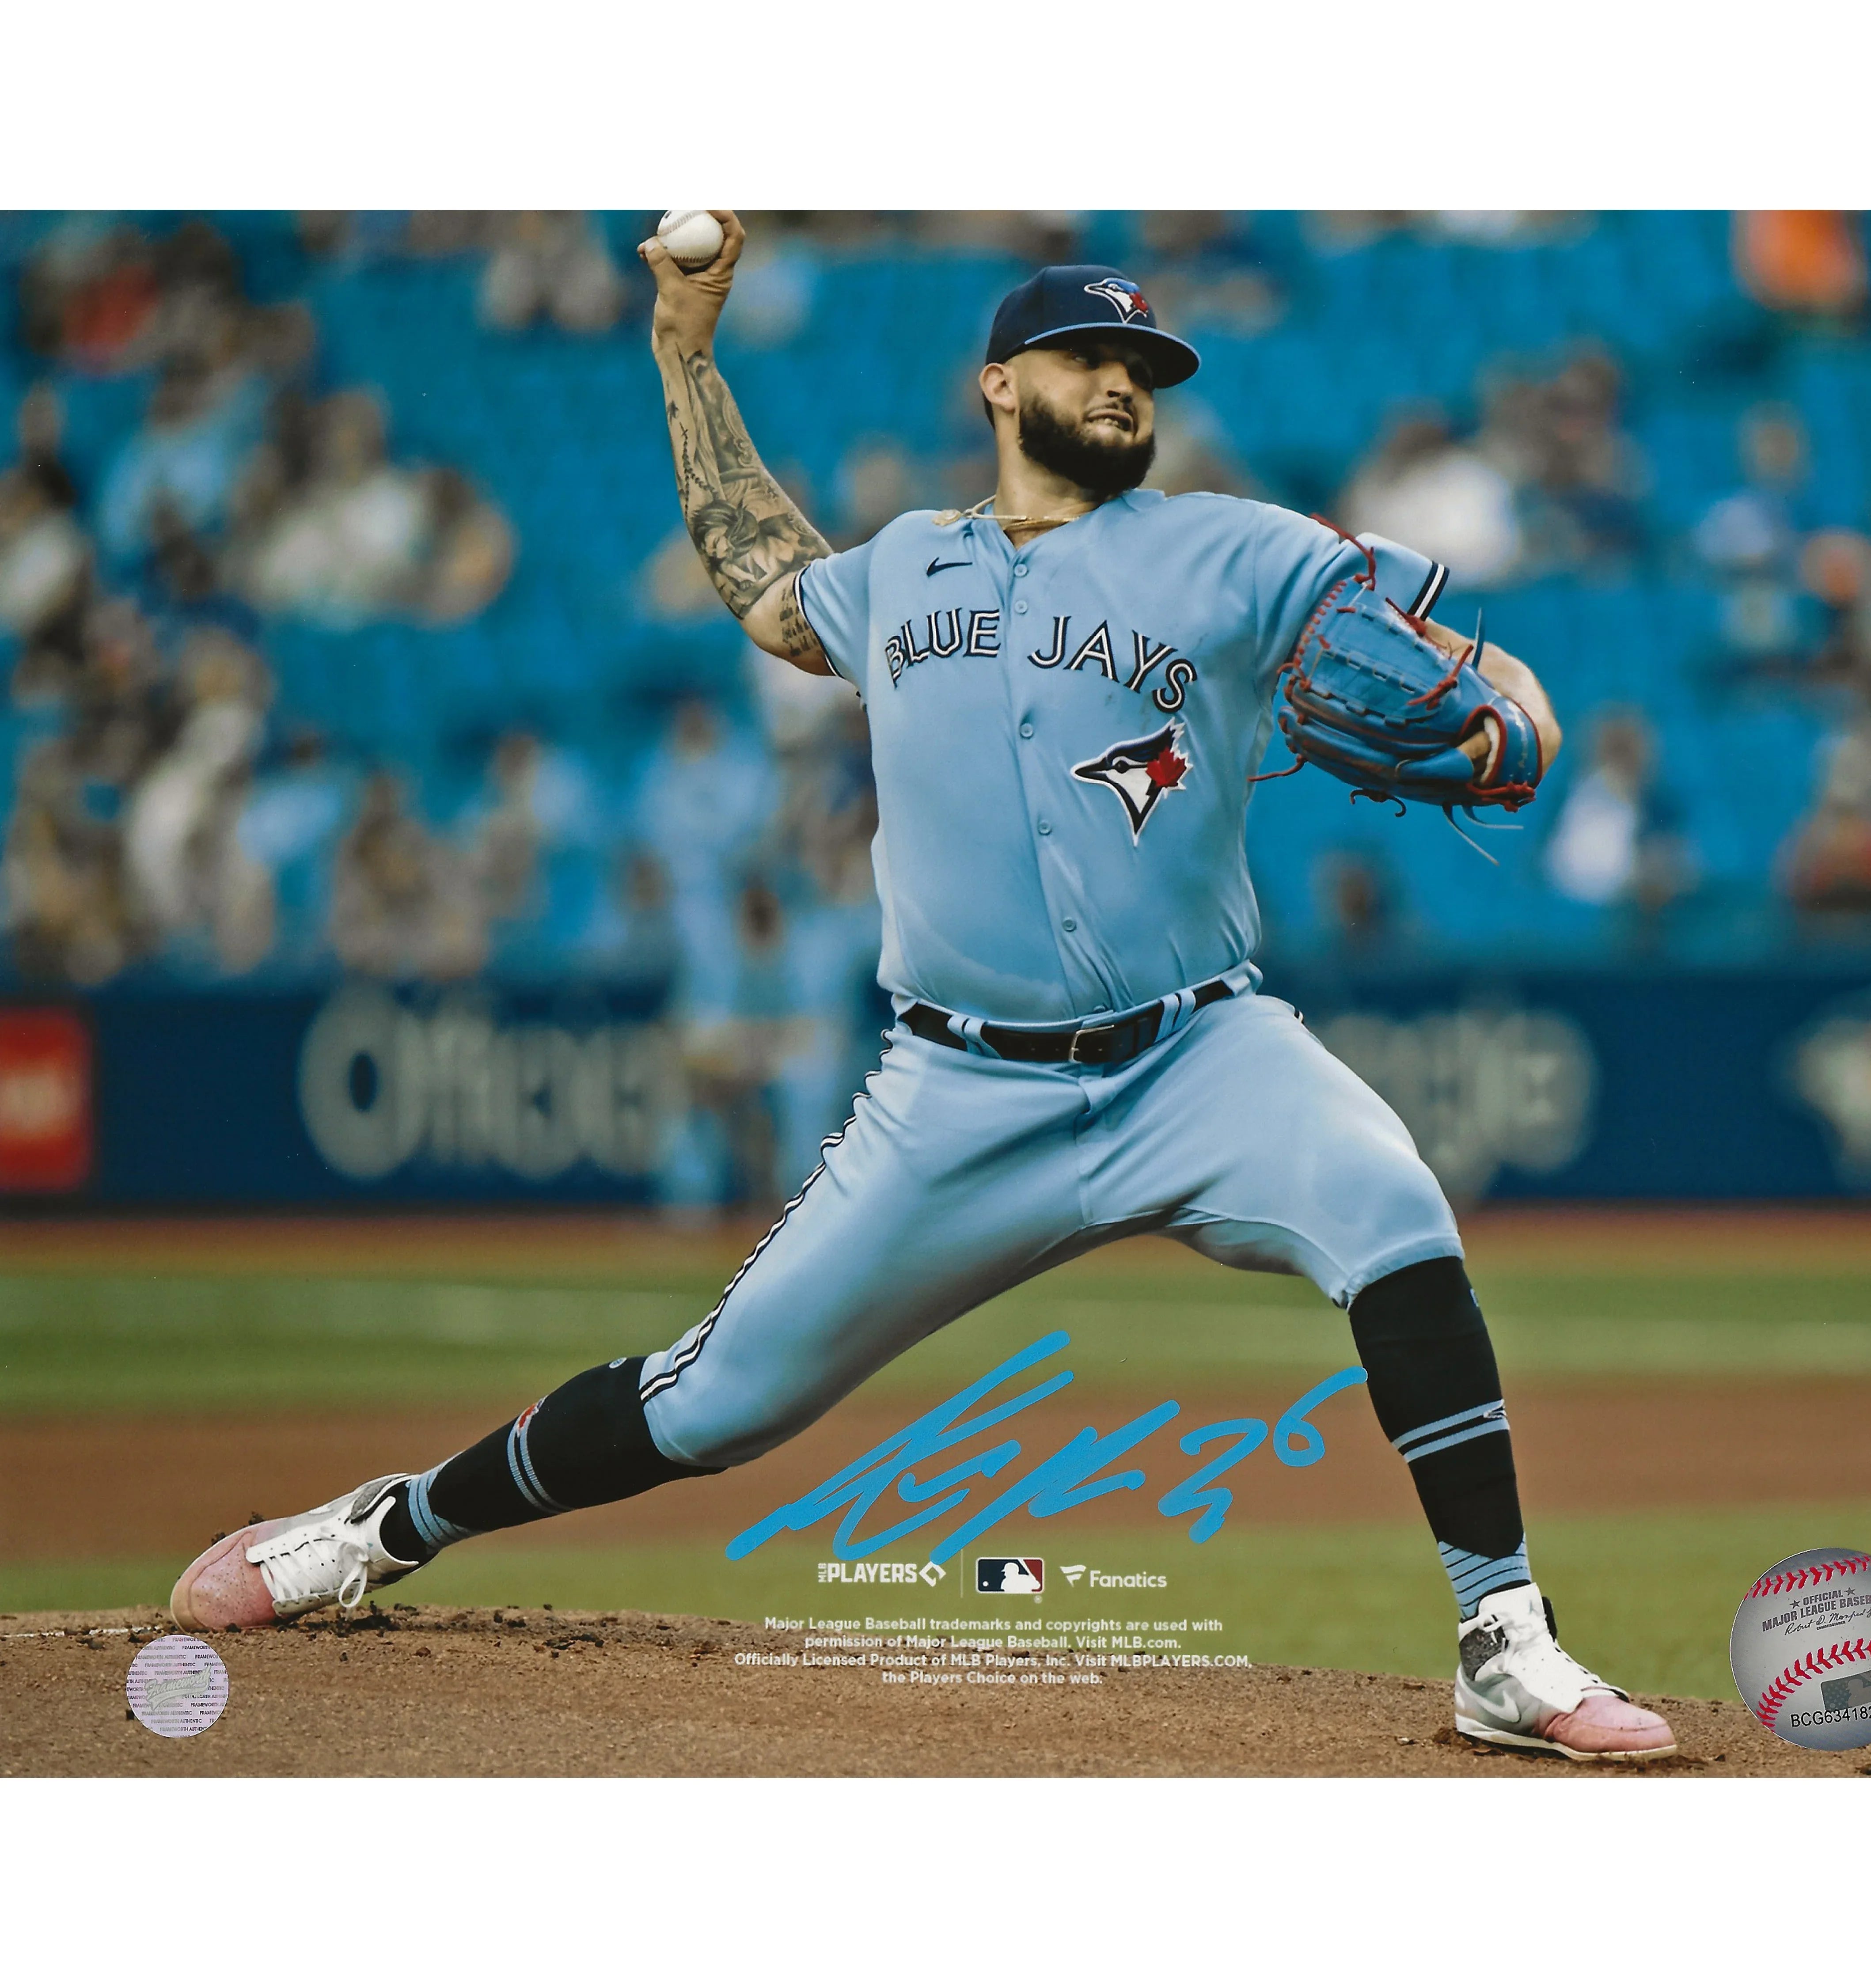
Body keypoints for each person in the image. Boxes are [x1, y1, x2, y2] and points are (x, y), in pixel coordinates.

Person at [170, 214, 1673, 1764]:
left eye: (1142, 365)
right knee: (712, 1404)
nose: (1120, 381)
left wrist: (1516, 732)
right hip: (959, 1090)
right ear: (998, 382)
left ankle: (1504, 1637)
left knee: (1393, 1206)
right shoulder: (901, 570)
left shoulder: (1238, 546)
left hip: (1199, 1055)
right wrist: (685, 354)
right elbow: (761, 580)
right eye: (1087, 355)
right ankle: (380, 1529)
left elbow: (1442, 673)